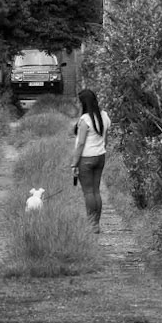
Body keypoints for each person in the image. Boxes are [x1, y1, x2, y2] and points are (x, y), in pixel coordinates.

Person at [70, 87, 111, 228]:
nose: (77, 104)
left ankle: (91, 225)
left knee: (88, 192)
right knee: (96, 190)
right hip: (100, 156)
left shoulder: (84, 119)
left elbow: (81, 143)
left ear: (83, 103)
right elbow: (106, 139)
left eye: (78, 102)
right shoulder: (104, 116)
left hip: (86, 159)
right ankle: (96, 224)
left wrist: (74, 163)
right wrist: (102, 148)